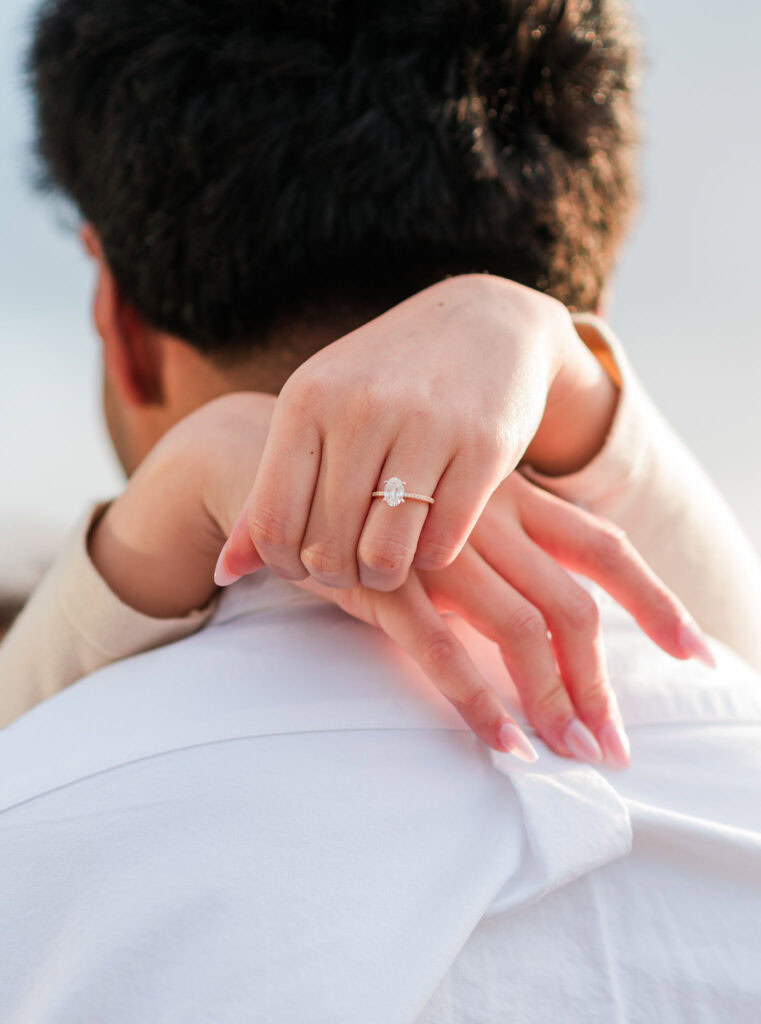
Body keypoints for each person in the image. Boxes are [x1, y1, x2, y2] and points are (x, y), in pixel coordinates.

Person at [1, 0, 760, 1019]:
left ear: (118, 322)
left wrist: (144, 535)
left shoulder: (42, 840)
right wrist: (577, 390)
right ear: (595, 284)